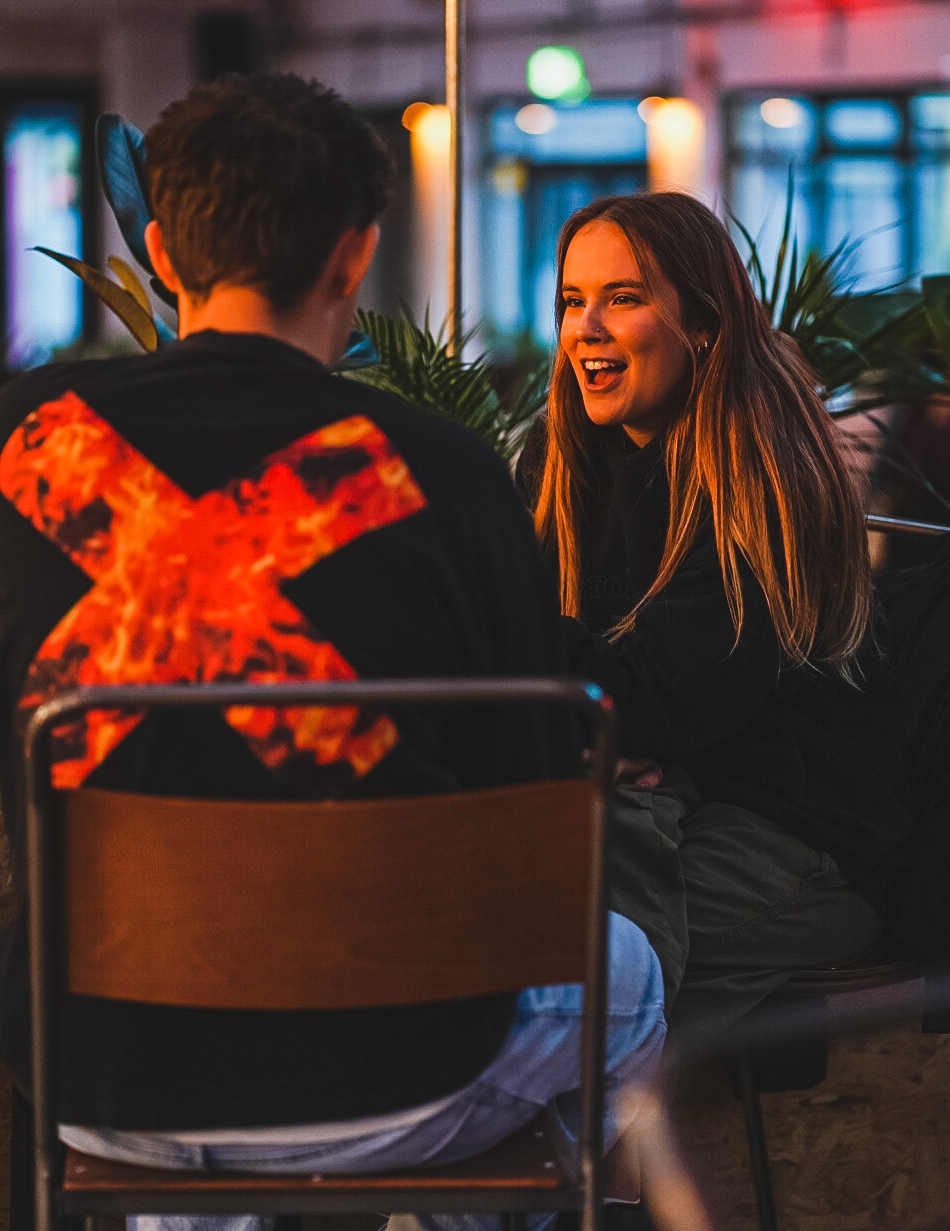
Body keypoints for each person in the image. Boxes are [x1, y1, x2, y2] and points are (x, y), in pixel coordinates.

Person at [0, 74, 665, 1231]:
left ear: (159, 250)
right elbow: (526, 817)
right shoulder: (446, 474)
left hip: (87, 1066)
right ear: (354, 257)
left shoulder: (26, 442)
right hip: (394, 1074)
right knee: (629, 975)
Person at [519, 190, 913, 1041]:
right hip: (653, 805)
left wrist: (500, 633)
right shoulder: (560, 464)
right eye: (573, 301)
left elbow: (643, 704)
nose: (586, 328)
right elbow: (597, 706)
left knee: (543, 926)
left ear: (702, 323)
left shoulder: (760, 479)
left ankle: (595, 1121)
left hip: (795, 840)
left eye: (623, 298)